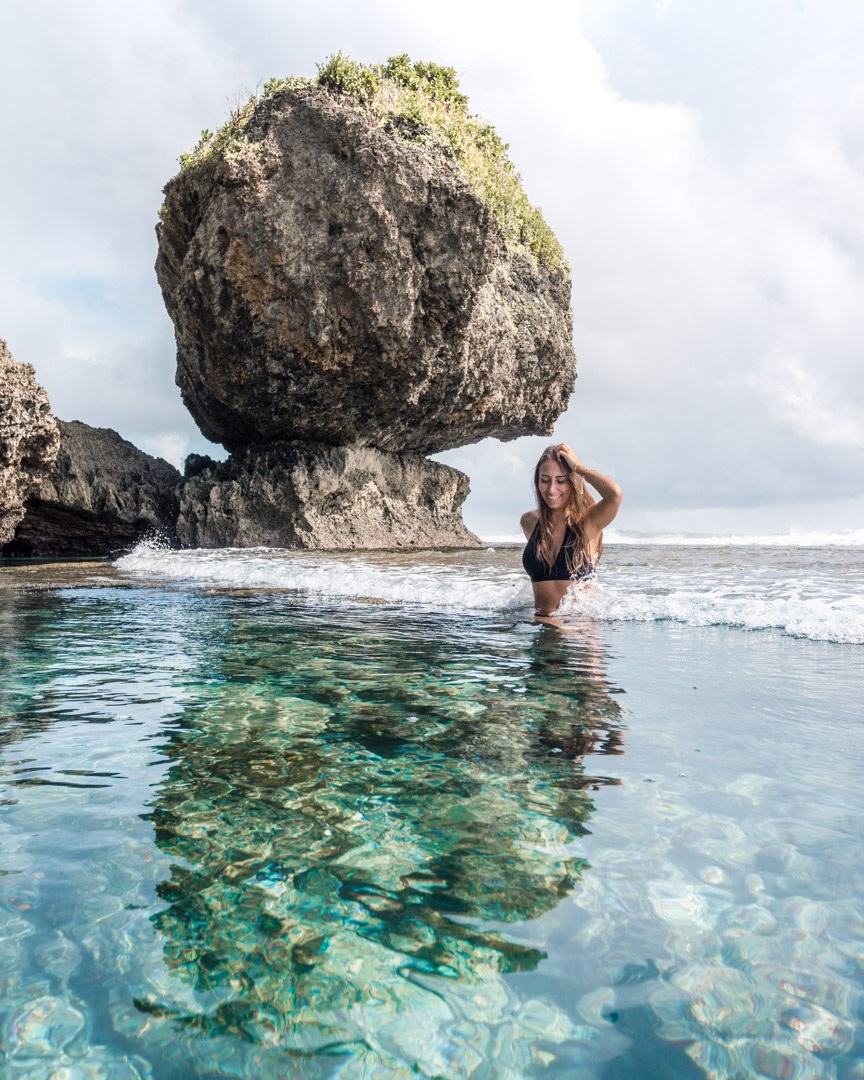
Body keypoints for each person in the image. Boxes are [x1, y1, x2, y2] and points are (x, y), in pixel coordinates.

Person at [521, 443, 622, 618]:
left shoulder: (589, 522)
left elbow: (614, 494)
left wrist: (579, 468)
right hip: (543, 634)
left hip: (580, 636)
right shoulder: (530, 522)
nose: (552, 489)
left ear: (572, 482)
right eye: (545, 480)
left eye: (561, 481)